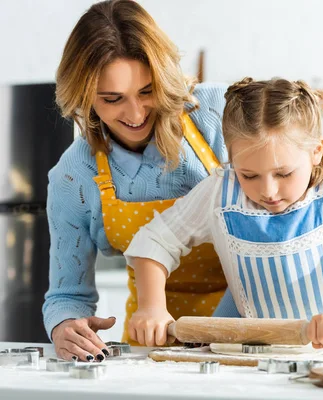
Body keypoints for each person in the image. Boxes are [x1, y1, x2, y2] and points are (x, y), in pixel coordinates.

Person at [124, 77, 323, 348]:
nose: (268, 190)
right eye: (249, 175)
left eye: (284, 173)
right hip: (246, 357)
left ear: (316, 151)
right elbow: (155, 241)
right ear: (231, 157)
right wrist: (151, 306)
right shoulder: (220, 192)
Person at [43, 0, 237, 362]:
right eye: (112, 99)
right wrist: (65, 326)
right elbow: (66, 295)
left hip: (246, 334)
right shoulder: (73, 176)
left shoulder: (222, 114)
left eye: (147, 91)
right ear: (83, 97)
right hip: (151, 348)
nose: (135, 114)